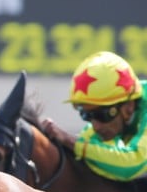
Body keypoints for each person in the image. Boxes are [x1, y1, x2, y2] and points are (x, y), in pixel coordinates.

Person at [41, 51, 147, 181]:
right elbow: (88, 149)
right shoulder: (110, 120)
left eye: (102, 115)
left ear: (128, 107)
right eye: (87, 115)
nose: (96, 126)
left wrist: (69, 140)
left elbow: (132, 164)